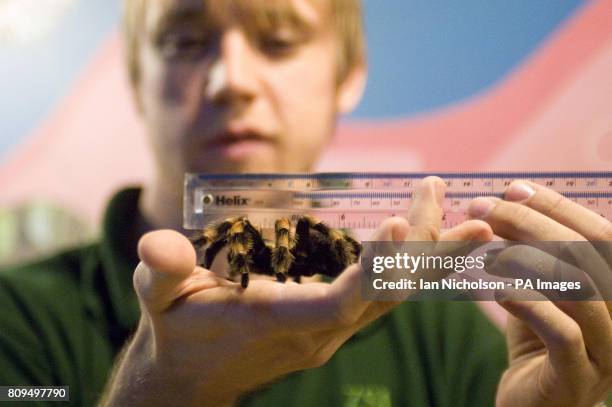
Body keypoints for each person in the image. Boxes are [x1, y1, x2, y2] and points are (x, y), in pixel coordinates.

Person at [1, 0, 610, 406]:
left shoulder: (438, 332)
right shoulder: (16, 318)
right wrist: (154, 394)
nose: (231, 79)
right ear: (136, 80)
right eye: (186, 42)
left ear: (347, 75)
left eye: (279, 40)